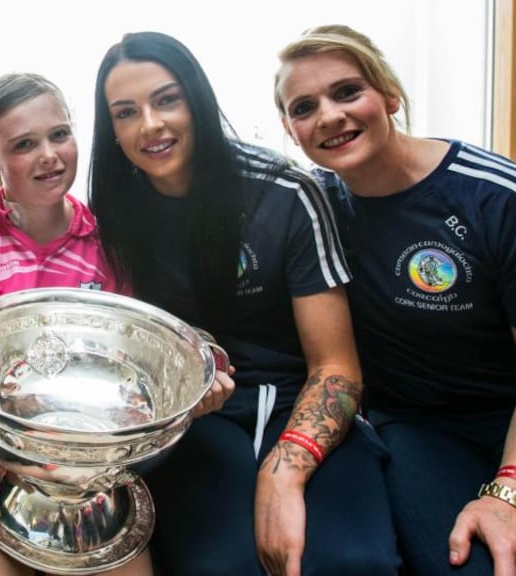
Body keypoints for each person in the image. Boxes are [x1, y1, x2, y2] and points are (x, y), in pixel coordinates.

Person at [274, 24, 516, 576]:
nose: (328, 116)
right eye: (304, 107)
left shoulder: (508, 198)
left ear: (389, 94)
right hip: (415, 428)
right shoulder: (312, 212)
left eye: (348, 92)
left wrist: (512, 492)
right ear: (291, 130)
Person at [88, 31, 401, 576]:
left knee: (354, 563)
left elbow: (336, 368)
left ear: (198, 101)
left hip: (296, 403)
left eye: (167, 99)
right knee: (223, 565)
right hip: (192, 418)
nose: (151, 125)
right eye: (125, 112)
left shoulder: (283, 193)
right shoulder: (114, 211)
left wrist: (286, 472)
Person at [0, 72, 173, 576]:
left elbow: (134, 362)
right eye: (25, 144)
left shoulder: (110, 243)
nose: (49, 154)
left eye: (59, 134)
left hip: (86, 456)